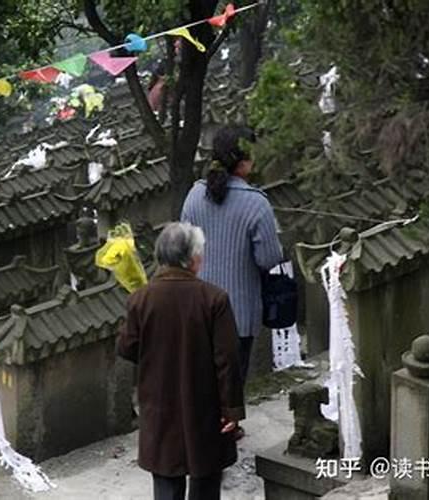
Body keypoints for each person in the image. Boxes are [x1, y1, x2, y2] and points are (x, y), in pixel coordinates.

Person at [118, 222, 244, 500]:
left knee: (166, 484)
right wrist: (231, 409)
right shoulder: (214, 299)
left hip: (159, 406)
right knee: (206, 482)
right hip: (205, 407)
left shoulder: (141, 299)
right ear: (193, 258)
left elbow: (127, 348)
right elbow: (228, 359)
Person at [181, 125, 284, 390]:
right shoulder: (257, 203)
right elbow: (269, 258)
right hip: (239, 312)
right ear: (244, 160)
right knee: (231, 385)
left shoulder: (194, 196)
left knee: (204, 383)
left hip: (198, 309)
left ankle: (207, 428)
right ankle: (227, 427)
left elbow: (183, 250)